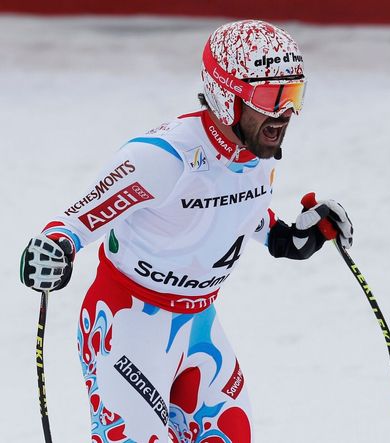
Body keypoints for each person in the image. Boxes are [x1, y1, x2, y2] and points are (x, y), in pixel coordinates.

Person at [19, 19, 353, 443]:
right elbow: (75, 222)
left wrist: (286, 238)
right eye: (272, 97)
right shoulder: (163, 157)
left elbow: (241, 211)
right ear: (225, 94)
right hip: (127, 323)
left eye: (294, 96)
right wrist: (53, 248)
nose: (285, 114)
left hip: (198, 326)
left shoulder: (258, 153)